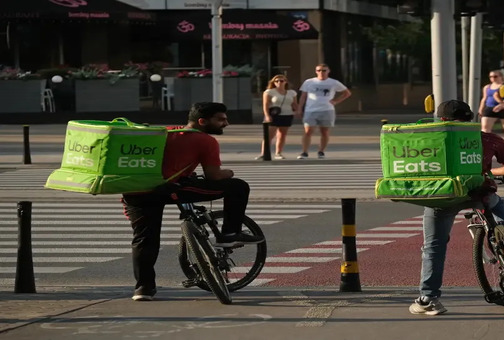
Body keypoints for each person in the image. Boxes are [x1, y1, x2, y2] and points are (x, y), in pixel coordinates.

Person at [121, 102, 263, 302]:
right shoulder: (205, 141)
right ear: (202, 121)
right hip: (170, 190)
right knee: (238, 186)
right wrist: (228, 173)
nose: (226, 123)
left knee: (145, 239)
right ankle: (230, 234)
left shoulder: (164, 132)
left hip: (136, 191)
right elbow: (214, 176)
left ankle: (143, 289)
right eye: (221, 119)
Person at [410, 99, 504, 316]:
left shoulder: (429, 141)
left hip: (443, 197)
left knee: (434, 247)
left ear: (442, 120)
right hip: (479, 195)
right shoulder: (489, 139)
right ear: (470, 118)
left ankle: (428, 298)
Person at [296, 63, 351, 159]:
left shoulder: (333, 82)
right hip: (311, 110)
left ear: (328, 71)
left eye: (324, 70)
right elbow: (303, 96)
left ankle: (321, 151)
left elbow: (347, 93)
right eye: (319, 70)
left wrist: (336, 101)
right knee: (308, 131)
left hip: (327, 109)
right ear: (316, 71)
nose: (321, 72)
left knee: (324, 132)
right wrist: (299, 108)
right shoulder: (309, 82)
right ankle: (304, 152)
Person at [256, 74, 299, 160]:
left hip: (287, 114)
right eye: (277, 81)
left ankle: (278, 153)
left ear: (285, 82)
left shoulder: (292, 93)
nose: (279, 82)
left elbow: (294, 103)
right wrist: (267, 116)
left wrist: (297, 111)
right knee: (269, 135)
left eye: (282, 81)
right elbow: (266, 105)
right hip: (274, 115)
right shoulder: (269, 92)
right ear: (273, 82)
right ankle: (264, 153)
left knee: (282, 135)